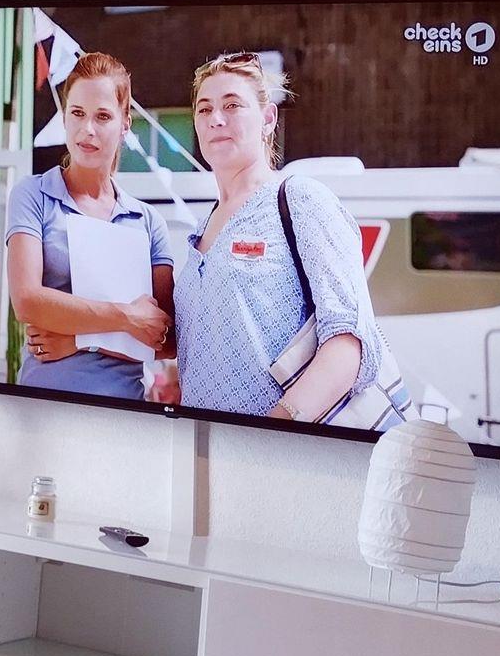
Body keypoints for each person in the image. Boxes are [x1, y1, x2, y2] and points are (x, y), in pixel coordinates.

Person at [173, 52, 404, 426]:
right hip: (205, 445)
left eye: (232, 105)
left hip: (284, 448)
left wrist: (273, 429)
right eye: (204, 109)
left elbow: (350, 343)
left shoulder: (299, 199)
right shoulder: (203, 228)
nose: (216, 119)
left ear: (268, 119)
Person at [5, 52, 174, 401]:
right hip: (43, 405)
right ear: (64, 117)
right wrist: (127, 318)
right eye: (78, 113)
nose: (88, 130)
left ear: (125, 123)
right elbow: (28, 302)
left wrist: (80, 340)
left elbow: (166, 339)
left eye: (103, 116)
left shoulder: (148, 223)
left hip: (124, 411)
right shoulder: (33, 196)